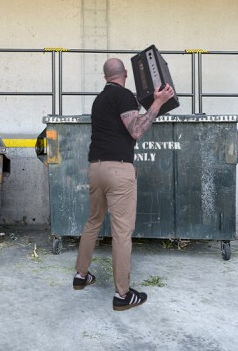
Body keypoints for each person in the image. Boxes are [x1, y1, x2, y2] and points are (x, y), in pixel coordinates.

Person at [72, 57, 175, 311]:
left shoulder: (99, 101)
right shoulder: (125, 95)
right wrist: (158, 103)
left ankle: (81, 276)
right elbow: (137, 130)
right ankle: (122, 294)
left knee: (93, 221)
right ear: (125, 74)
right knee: (121, 232)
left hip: (95, 167)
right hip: (118, 169)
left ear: (104, 76)